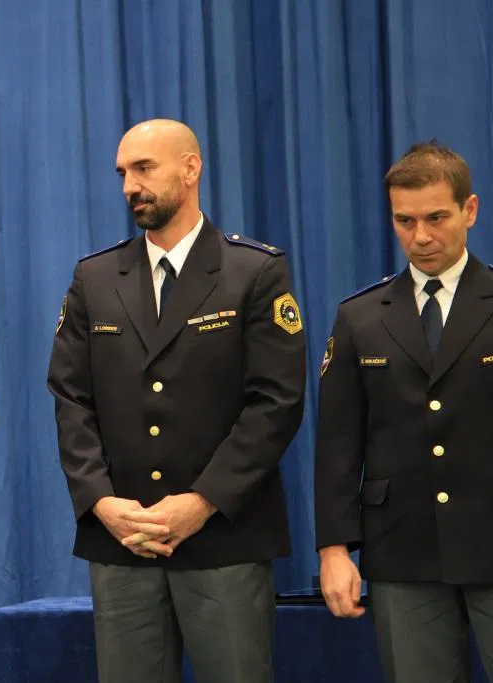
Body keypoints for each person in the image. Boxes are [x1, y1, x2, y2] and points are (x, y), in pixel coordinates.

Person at [47, 119, 306, 683]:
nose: (129, 187)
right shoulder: (94, 278)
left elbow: (276, 402)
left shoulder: (253, 272)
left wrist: (203, 501)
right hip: (124, 539)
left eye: (144, 169)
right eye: (122, 173)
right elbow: (70, 397)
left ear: (191, 168)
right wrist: (101, 502)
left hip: (223, 539)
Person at [315, 141, 493, 682]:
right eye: (405, 221)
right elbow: (338, 444)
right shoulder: (360, 317)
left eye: (436, 218)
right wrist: (334, 549)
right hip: (402, 548)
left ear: (469, 211)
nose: (421, 237)